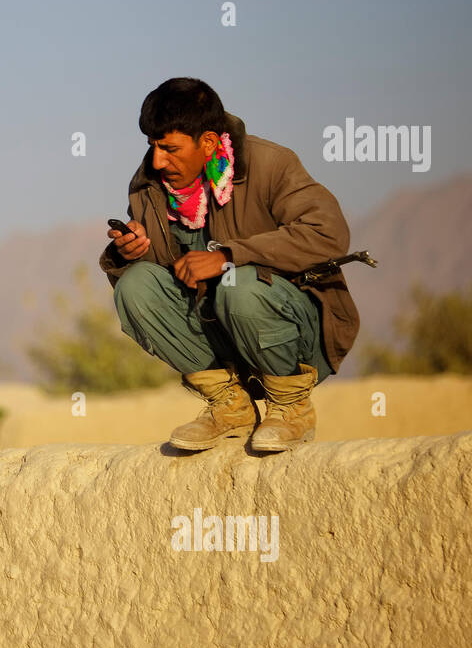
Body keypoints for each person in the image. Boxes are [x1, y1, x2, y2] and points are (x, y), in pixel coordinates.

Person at [100, 77, 360, 452]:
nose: (158, 160)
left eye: (170, 148)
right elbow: (172, 274)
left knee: (239, 286)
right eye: (153, 147)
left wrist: (227, 257)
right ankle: (230, 408)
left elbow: (328, 233)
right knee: (135, 286)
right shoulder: (148, 187)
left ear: (207, 142)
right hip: (221, 331)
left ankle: (291, 409)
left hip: (295, 330)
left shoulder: (271, 164)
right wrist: (132, 252)